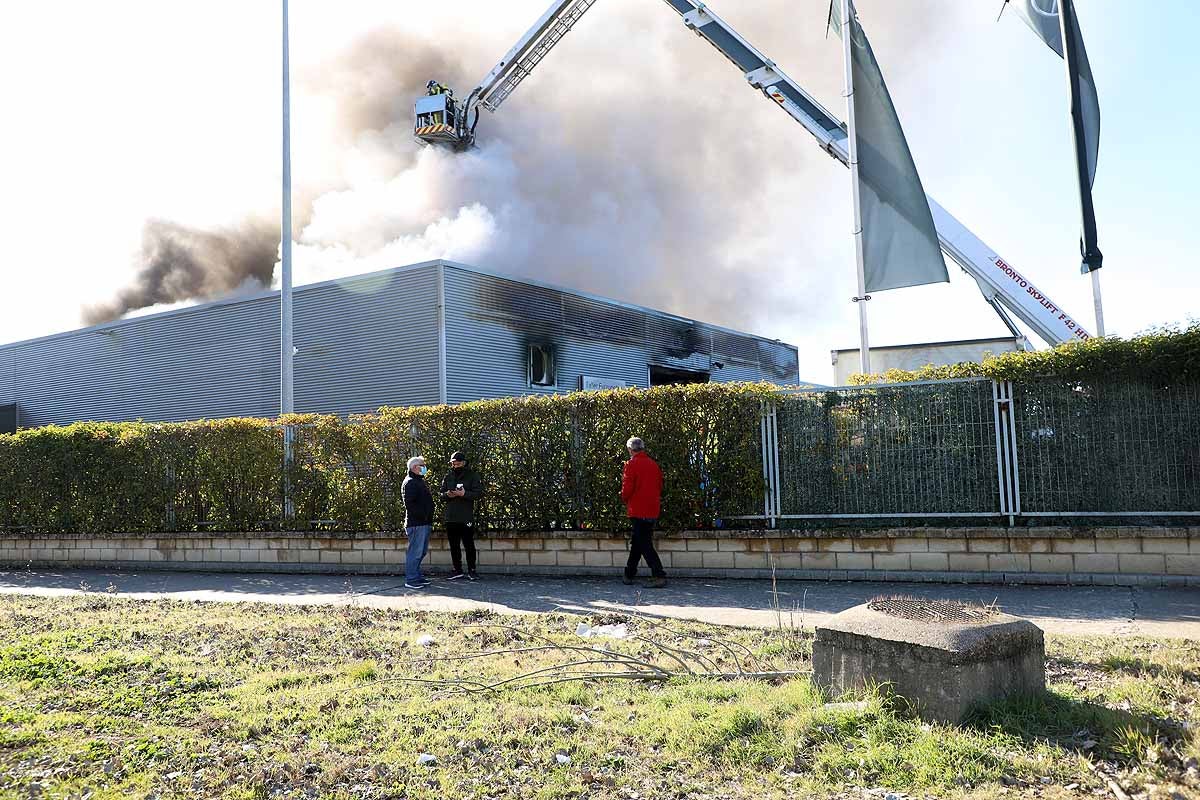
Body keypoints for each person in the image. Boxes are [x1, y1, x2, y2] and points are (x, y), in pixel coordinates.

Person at [620, 437, 667, 588]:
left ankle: (659, 574)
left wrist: (623, 497)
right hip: (652, 508)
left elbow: (627, 489)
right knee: (638, 541)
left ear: (630, 449)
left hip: (637, 509)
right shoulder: (653, 464)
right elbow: (659, 485)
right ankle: (629, 573)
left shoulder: (631, 464)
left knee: (644, 543)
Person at [440, 450, 483, 581]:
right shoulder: (448, 476)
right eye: (453, 463)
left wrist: (464, 494)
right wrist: (448, 494)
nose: (456, 466)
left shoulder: (472, 476)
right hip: (451, 517)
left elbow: (478, 494)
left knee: (469, 544)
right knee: (454, 545)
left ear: (464, 463)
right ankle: (457, 570)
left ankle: (472, 570)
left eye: (458, 463)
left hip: (466, 517)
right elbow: (441, 495)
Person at [402, 455, 434, 589]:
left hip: (423, 522)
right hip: (417, 523)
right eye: (422, 465)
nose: (424, 468)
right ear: (415, 468)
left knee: (421, 552)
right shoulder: (410, 482)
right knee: (415, 552)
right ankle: (412, 579)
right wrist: (424, 515)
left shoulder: (417, 480)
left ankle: (416, 576)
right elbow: (410, 504)